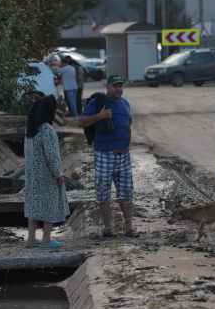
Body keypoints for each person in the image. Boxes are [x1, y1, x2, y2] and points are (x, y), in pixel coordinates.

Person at [77, 74, 138, 238]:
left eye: (120, 86)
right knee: (103, 192)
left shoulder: (125, 103)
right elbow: (81, 121)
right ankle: (107, 228)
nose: (118, 89)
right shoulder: (98, 102)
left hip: (124, 155)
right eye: (115, 86)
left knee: (126, 193)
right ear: (107, 87)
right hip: (104, 154)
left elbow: (129, 122)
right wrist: (100, 116)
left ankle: (129, 228)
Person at [24, 96, 69, 248]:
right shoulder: (47, 129)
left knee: (34, 205)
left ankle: (31, 239)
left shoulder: (30, 129)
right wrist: (59, 174)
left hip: (32, 175)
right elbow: (52, 156)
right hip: (46, 175)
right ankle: (46, 239)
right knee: (49, 205)